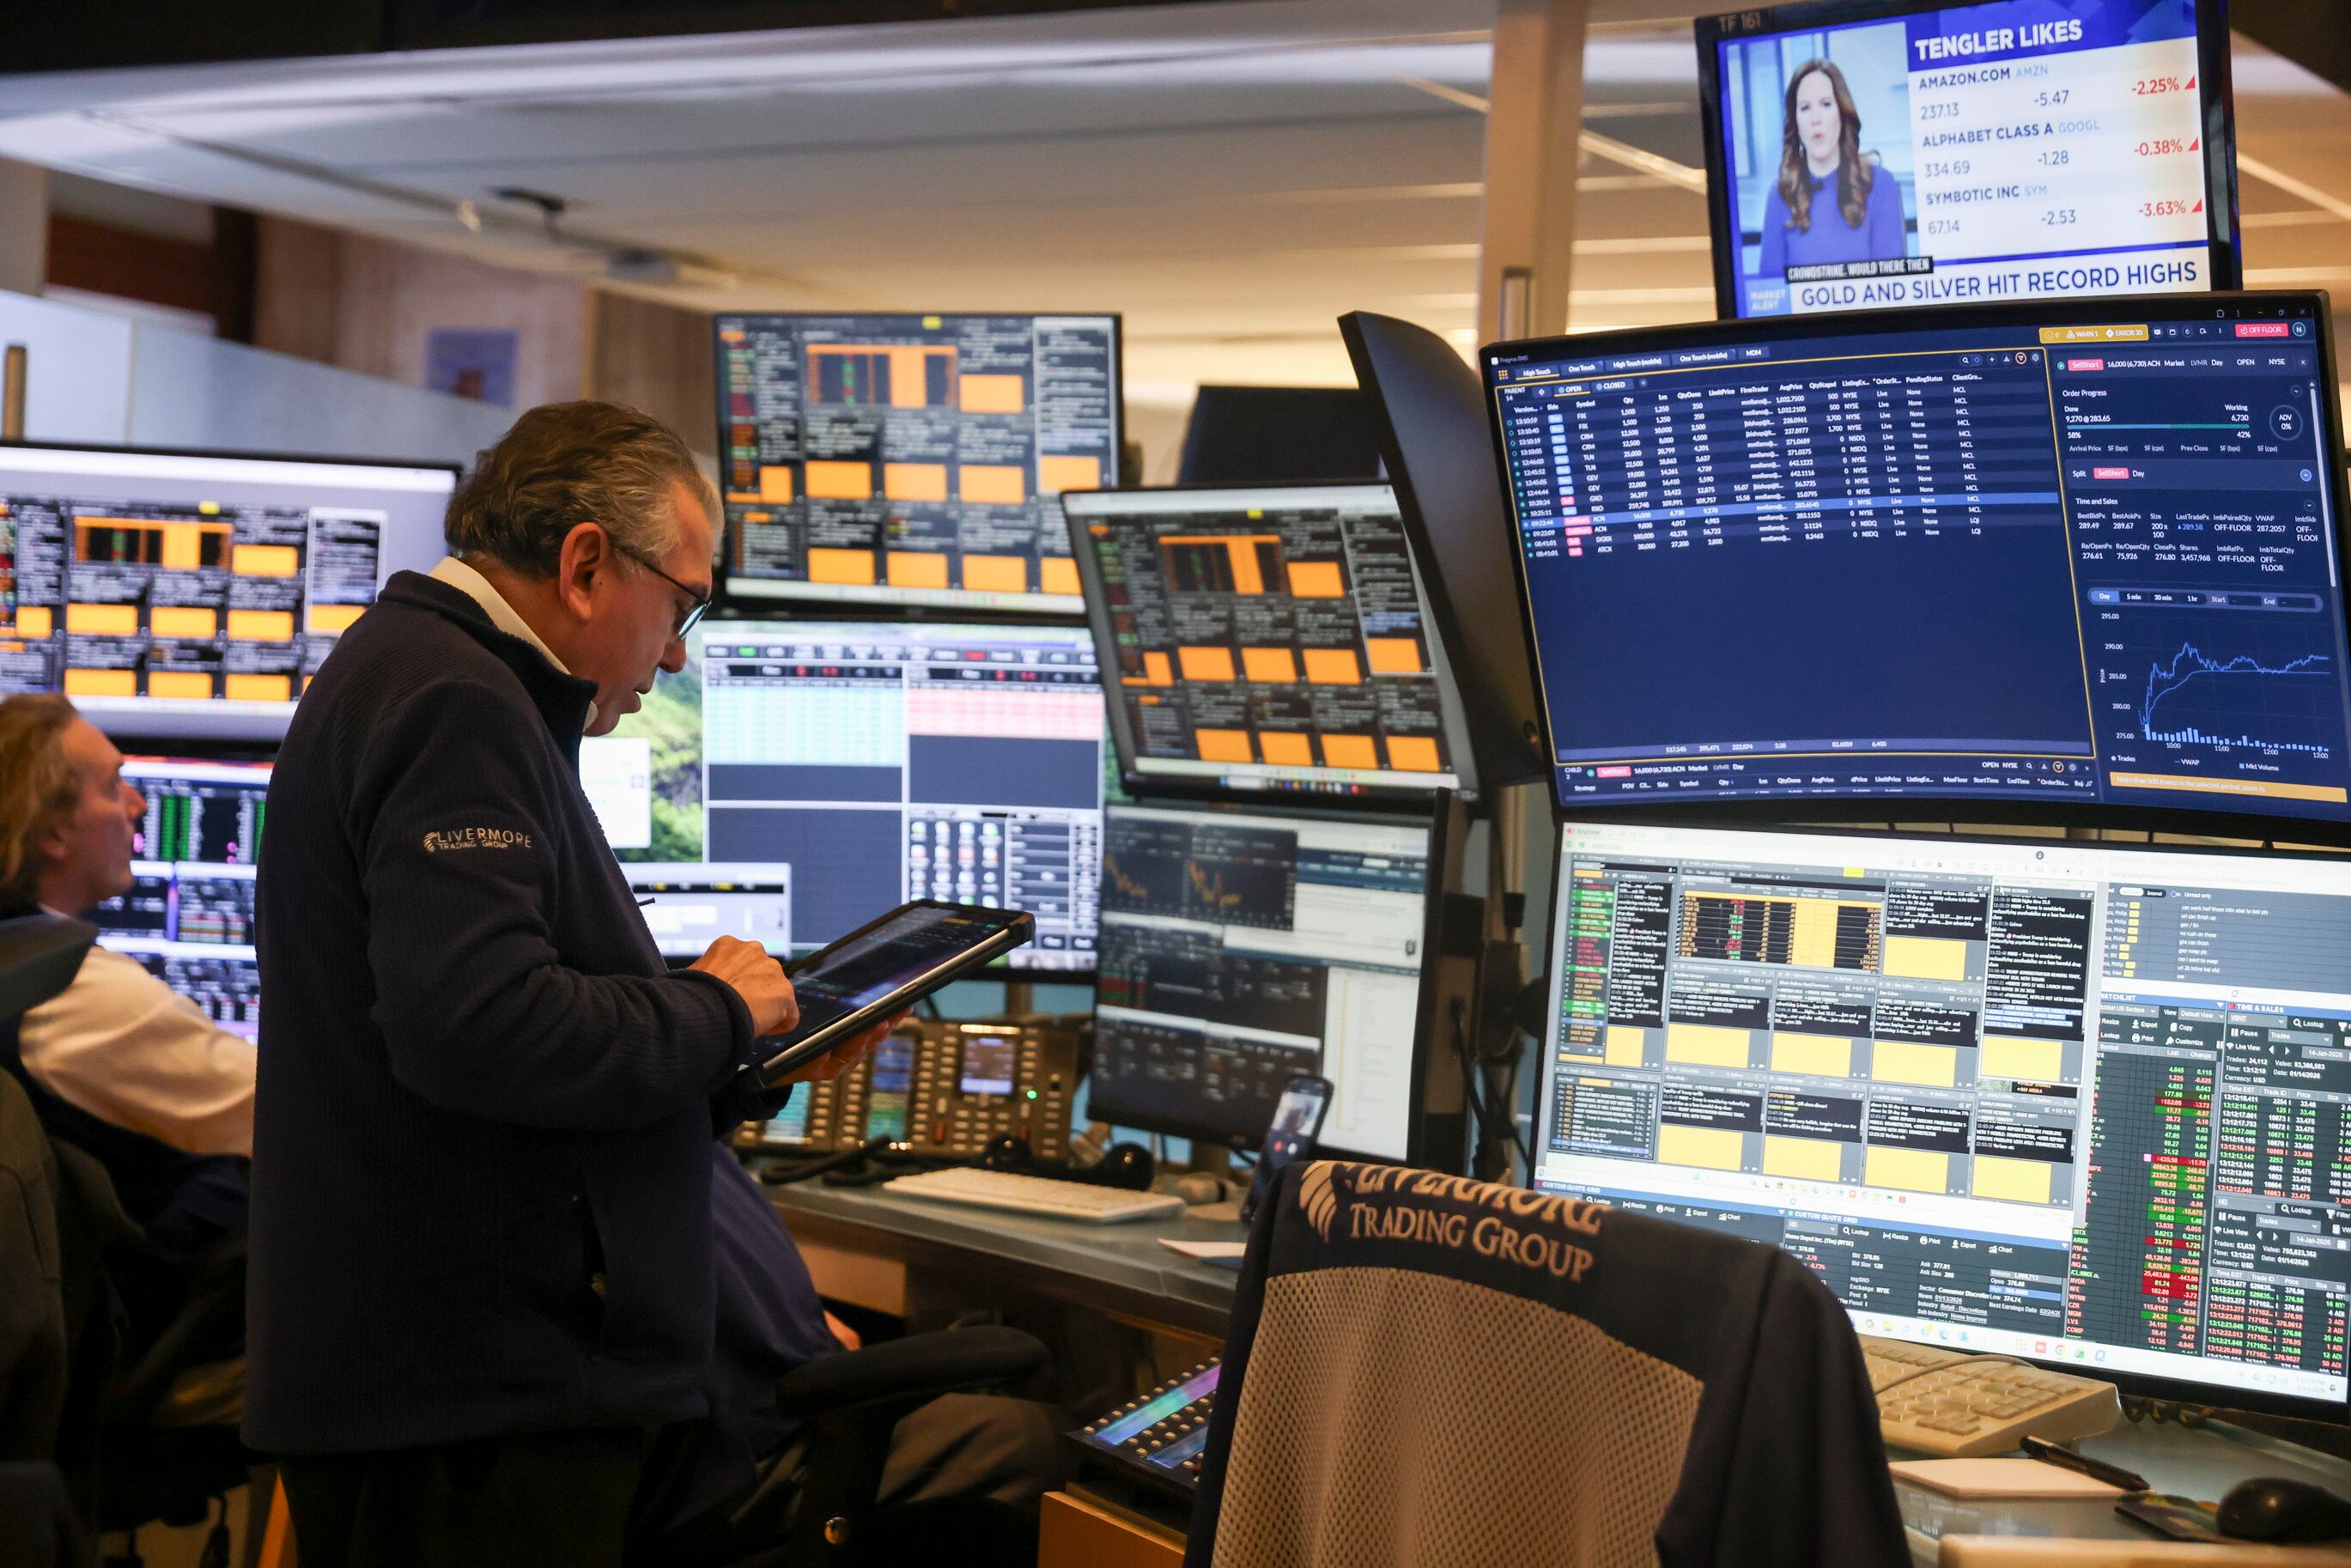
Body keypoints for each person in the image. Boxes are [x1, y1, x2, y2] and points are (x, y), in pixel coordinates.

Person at [246, 402, 907, 1566]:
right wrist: (715, 1008)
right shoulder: (458, 703)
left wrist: (741, 1057)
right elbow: (481, 1025)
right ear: (588, 562)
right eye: (682, 603)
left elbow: (493, 1055)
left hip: (453, 1384)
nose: (673, 654)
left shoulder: (426, 673)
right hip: (474, 1402)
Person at [0, 694, 252, 1354]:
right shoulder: (71, 992)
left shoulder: (20, 959)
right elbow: (287, 1119)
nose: (139, 805)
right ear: (52, 832)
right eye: (113, 785)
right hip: (136, 1335)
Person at [1756, 58, 1906, 280]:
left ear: (1842, 113)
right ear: (1796, 122)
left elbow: (1893, 289)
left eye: (1826, 104)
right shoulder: (1780, 194)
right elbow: (1768, 296)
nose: (1816, 119)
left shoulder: (1880, 185)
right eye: (1805, 108)